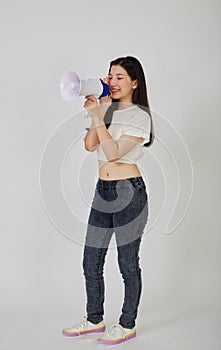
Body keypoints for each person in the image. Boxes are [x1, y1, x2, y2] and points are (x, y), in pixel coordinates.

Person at [62, 56, 155, 345]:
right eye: (109, 76)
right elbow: (91, 146)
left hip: (129, 191)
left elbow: (113, 152)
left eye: (119, 77)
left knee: (127, 263)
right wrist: (100, 113)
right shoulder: (108, 110)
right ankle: (94, 319)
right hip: (102, 190)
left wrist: (97, 118)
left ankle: (127, 324)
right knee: (91, 260)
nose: (111, 82)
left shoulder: (140, 116)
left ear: (134, 82)